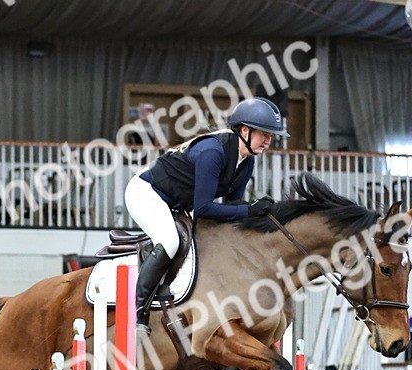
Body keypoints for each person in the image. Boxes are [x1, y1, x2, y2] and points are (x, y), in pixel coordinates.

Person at [124, 96, 289, 333]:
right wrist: (249, 209)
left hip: (177, 203)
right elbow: (203, 208)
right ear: (245, 130)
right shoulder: (213, 152)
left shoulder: (246, 161)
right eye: (264, 133)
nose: (268, 140)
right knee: (170, 241)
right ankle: (138, 311)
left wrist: (258, 218)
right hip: (146, 193)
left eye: (271, 135)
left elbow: (234, 205)